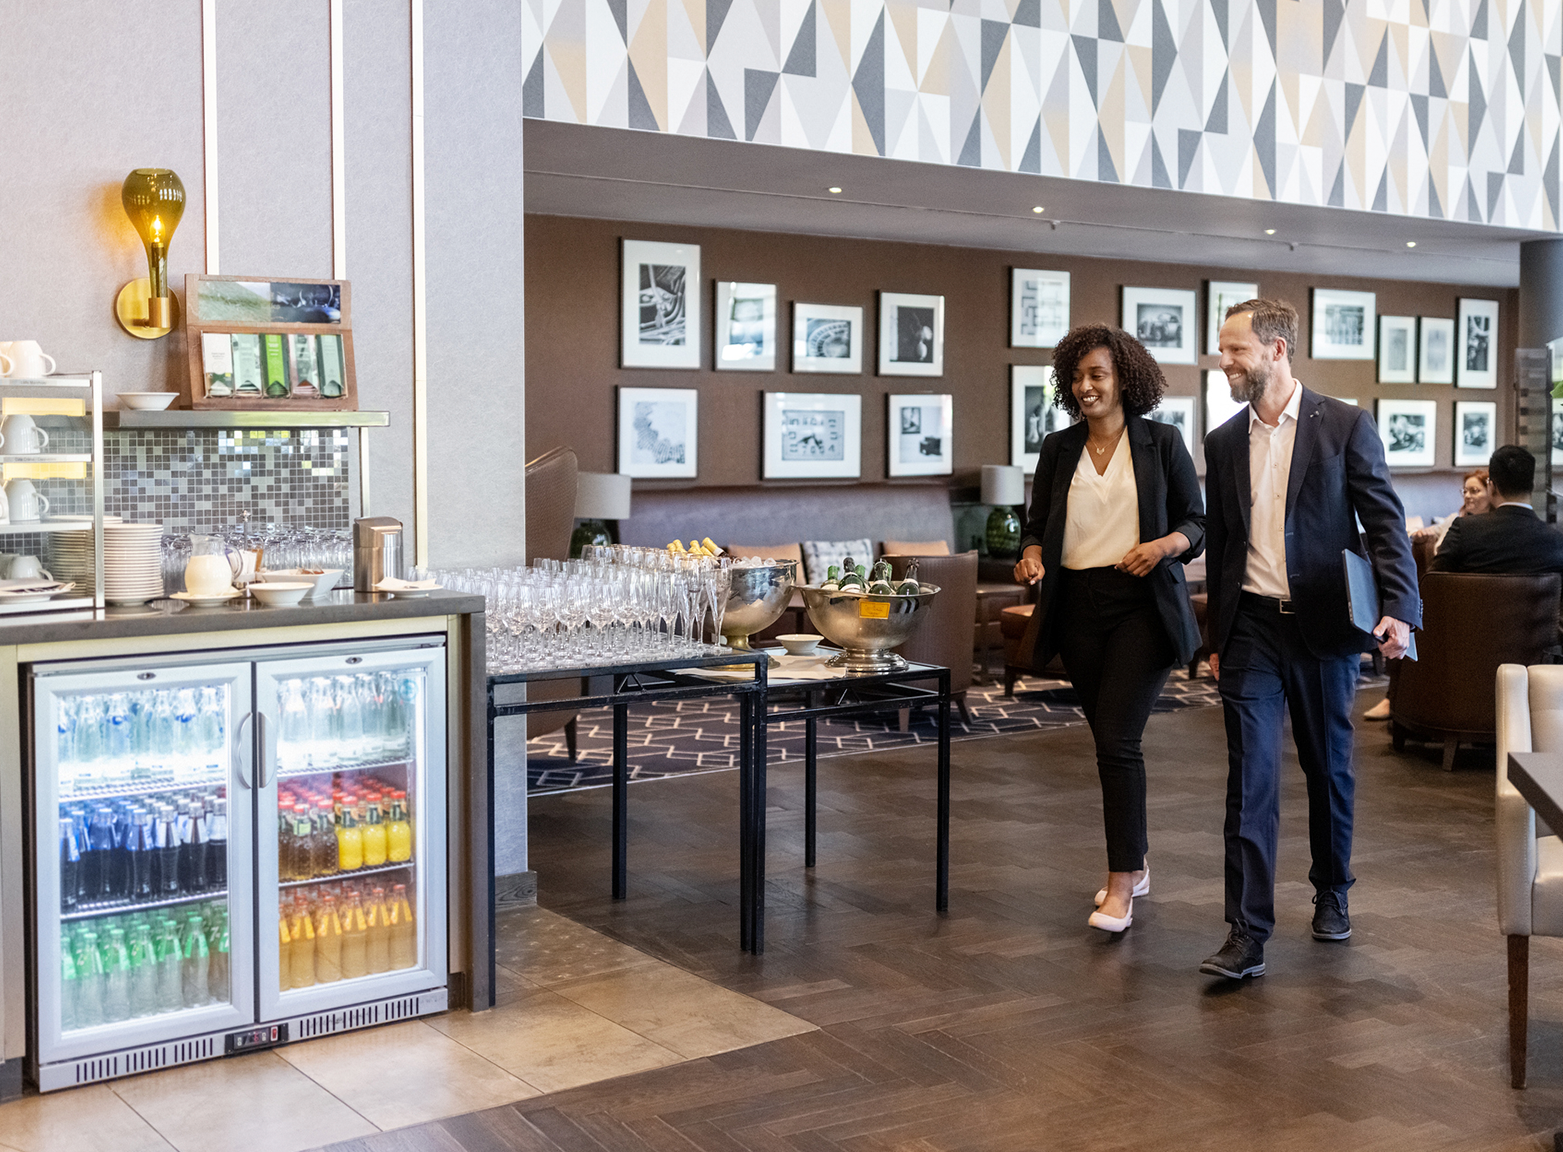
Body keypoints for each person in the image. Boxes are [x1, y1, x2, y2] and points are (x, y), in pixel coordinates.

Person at [1200, 298, 1419, 980]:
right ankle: (1245, 932)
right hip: (1252, 631)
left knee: (1328, 769)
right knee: (1250, 778)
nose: (1224, 361)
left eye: (1234, 349)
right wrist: (1216, 636)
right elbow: (1226, 546)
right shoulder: (1221, 440)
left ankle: (1331, 890)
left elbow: (1384, 523)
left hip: (1324, 627)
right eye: (1222, 349)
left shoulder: (1344, 426)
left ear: (1275, 349)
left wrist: (1399, 609)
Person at [1013, 325, 1205, 934]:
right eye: (1077, 377)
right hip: (1076, 608)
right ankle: (1137, 861)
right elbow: (1036, 525)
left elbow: (1197, 524)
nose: (1086, 386)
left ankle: (1122, 882)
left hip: (1142, 606)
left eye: (1097, 374)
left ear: (1125, 377)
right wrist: (1033, 554)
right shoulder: (1058, 447)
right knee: (1110, 743)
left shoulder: (1161, 442)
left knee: (1118, 743)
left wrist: (1163, 546)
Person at [1362, 468, 1492, 720]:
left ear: (1492, 492)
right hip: (1439, 596)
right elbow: (1432, 532)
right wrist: (1422, 534)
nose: (1468, 496)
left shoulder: (1477, 530)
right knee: (1405, 623)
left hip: (1464, 606)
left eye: (1475, 491)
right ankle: (1393, 699)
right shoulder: (1455, 521)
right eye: (1465, 491)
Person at [1429, 446, 1563, 574]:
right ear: (1532, 486)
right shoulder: (1557, 541)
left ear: (1491, 487)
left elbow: (1434, 583)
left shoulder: (1464, 530)